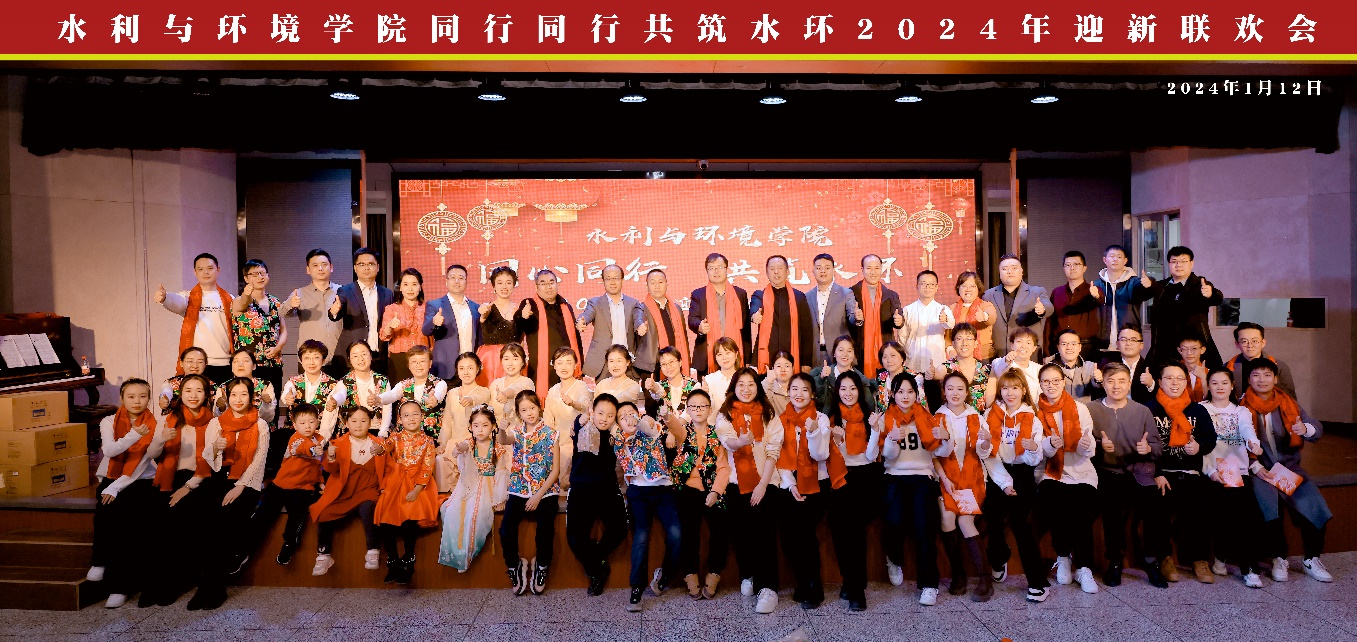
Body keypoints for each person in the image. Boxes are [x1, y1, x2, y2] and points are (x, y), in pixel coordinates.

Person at [1240, 359, 1333, 583]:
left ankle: (1311, 558)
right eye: (1256, 375)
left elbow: (1315, 426)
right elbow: (1234, 443)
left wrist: (1305, 428)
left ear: (1276, 379)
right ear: (1249, 379)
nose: (1262, 380)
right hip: (1261, 470)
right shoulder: (1241, 407)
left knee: (1314, 506)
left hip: (1289, 468)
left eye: (1267, 375)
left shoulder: (1287, 402)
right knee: (1269, 509)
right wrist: (1255, 466)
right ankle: (1279, 557)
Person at [189, 377, 270, 610]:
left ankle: (214, 588)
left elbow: (259, 461)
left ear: (252, 397)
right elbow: (207, 456)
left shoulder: (260, 425)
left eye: (244, 394)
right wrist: (216, 447)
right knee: (206, 523)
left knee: (225, 522)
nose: (238, 399)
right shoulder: (216, 423)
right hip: (219, 478)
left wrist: (240, 486)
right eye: (234, 394)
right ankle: (205, 586)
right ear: (227, 396)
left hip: (247, 483)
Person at [88, 379, 166, 609]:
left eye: (142, 396)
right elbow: (110, 451)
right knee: (105, 509)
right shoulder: (108, 421)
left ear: (149, 399)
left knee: (126, 523)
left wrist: (116, 487)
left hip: (141, 480)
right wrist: (133, 434)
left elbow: (141, 464)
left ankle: (120, 587)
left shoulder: (155, 424)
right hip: (112, 476)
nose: (137, 401)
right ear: (122, 398)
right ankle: (100, 560)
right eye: (131, 396)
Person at [1086, 362, 1164, 587]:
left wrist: (1148, 449)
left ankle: (1151, 560)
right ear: (1103, 384)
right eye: (1110, 381)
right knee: (1111, 507)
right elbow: (1082, 444)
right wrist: (1099, 446)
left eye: (1121, 381)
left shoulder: (1142, 411)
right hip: (1106, 471)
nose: (1116, 386)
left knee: (1154, 504)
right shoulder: (1090, 409)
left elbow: (1158, 447)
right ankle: (1115, 561)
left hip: (1138, 471)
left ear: (1129, 384)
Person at [714, 367, 785, 614]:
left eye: (751, 384)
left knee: (764, 535)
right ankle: (748, 574)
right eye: (741, 385)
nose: (746, 389)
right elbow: (728, 442)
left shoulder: (768, 414)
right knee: (741, 534)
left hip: (766, 481)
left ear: (758, 387)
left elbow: (773, 451)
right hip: (736, 483)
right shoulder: (724, 415)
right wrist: (742, 441)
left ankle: (769, 588)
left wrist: (763, 485)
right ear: (734, 388)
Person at [144, 374, 214, 607]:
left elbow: (212, 462)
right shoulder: (170, 419)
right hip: (171, 477)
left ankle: (176, 582)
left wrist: (188, 487)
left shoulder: (213, 422)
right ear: (180, 394)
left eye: (199, 391)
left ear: (206, 395)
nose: (193, 395)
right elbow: (152, 455)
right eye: (188, 391)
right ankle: (158, 583)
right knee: (158, 522)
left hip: (201, 479)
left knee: (185, 518)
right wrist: (161, 439)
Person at [1145, 361, 1218, 584]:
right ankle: (1164, 557)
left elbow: (1210, 439)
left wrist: (1199, 447)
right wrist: (1157, 472)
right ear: (1160, 382)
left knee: (1201, 508)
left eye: (1180, 379)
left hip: (1191, 472)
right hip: (1162, 473)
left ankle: (1199, 559)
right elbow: (1143, 445)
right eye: (1169, 378)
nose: (1175, 383)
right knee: (1158, 510)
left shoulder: (1197, 410)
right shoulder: (1149, 409)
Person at [979, 370, 1049, 602]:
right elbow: (986, 454)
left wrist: (1032, 448)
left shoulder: (1032, 419)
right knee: (992, 515)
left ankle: (1038, 583)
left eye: (1015, 388)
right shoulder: (990, 414)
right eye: (1005, 388)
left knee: (1021, 524)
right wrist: (1004, 483)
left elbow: (1033, 459)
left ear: (1023, 391)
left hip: (1022, 473)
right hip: (997, 471)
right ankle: (999, 557)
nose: (1010, 393)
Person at [922, 373, 992, 602]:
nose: (955, 393)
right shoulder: (937, 417)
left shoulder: (976, 417)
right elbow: (933, 456)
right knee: (947, 517)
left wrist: (986, 441)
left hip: (972, 480)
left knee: (965, 521)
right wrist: (944, 479)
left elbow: (984, 453)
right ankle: (958, 574)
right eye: (950, 388)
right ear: (944, 392)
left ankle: (985, 578)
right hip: (947, 480)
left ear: (967, 392)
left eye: (960, 388)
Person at [1033, 363, 1101, 594]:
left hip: (1081, 470)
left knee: (1081, 506)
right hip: (1050, 470)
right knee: (1054, 499)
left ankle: (1083, 567)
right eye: (1046, 381)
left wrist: (1085, 444)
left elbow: (1088, 448)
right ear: (1040, 384)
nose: (1051, 385)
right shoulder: (1035, 411)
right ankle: (1062, 556)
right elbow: (1037, 451)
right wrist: (1049, 444)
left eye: (1056, 381)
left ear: (1063, 382)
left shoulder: (1080, 408)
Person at [879, 374, 944, 606]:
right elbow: (888, 456)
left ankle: (929, 585)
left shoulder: (926, 416)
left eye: (910, 392)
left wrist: (946, 438)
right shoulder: (886, 418)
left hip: (922, 476)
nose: (905, 397)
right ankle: (894, 559)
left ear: (917, 394)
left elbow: (939, 451)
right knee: (893, 523)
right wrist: (892, 439)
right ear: (892, 394)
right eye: (900, 392)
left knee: (924, 529)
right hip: (894, 477)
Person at [771, 374, 833, 610]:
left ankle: (813, 586)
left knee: (805, 535)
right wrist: (790, 483)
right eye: (794, 389)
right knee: (788, 537)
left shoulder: (821, 418)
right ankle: (802, 581)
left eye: (805, 389)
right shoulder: (781, 420)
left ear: (812, 394)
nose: (799, 394)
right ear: (788, 393)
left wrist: (814, 431)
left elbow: (821, 455)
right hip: (789, 482)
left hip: (816, 482)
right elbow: (777, 456)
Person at [1199, 367, 1265, 587]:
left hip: (1237, 472)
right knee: (1221, 516)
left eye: (1224, 383)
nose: (1220, 387)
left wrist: (1253, 443)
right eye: (1215, 383)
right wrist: (1210, 471)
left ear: (1232, 386)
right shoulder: (1201, 409)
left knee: (1247, 518)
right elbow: (1197, 446)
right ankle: (1221, 557)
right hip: (1211, 471)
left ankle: (1249, 569)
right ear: (1208, 386)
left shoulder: (1241, 411)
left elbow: (1246, 429)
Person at [616, 402, 684, 612]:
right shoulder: (618, 440)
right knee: (641, 536)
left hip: (663, 489)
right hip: (638, 492)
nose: (628, 418)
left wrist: (639, 420)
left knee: (677, 534)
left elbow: (649, 428)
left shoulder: (650, 428)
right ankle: (636, 588)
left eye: (631, 413)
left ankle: (664, 575)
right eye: (622, 417)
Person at [665, 388, 730, 600]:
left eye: (702, 406)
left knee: (720, 529)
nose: (698, 410)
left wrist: (716, 491)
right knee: (689, 532)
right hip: (688, 489)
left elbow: (723, 468)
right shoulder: (684, 432)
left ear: (710, 409)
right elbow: (674, 426)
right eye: (693, 407)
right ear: (688, 410)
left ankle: (715, 572)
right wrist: (667, 416)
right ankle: (690, 573)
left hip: (712, 489)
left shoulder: (717, 436)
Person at [824, 370, 880, 611]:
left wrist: (875, 430)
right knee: (839, 533)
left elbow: (871, 455)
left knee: (856, 535)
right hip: (838, 477)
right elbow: (825, 455)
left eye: (853, 388)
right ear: (837, 391)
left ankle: (857, 589)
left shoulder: (869, 417)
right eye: (843, 388)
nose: (848, 393)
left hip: (863, 477)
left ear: (860, 391)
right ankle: (849, 579)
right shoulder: (830, 418)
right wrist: (836, 441)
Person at [309, 407, 386, 578]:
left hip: (368, 489)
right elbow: (330, 469)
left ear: (370, 423)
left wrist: (381, 453)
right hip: (344, 491)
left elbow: (388, 465)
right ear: (346, 423)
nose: (358, 425)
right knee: (324, 511)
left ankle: (373, 550)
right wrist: (330, 457)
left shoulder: (379, 444)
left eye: (363, 421)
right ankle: (323, 554)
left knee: (369, 507)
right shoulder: (337, 443)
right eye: (354, 421)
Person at [498, 390, 561, 595]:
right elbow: (504, 440)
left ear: (539, 408)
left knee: (545, 530)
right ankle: (514, 565)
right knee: (505, 529)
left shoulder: (551, 434)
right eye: (524, 410)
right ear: (519, 413)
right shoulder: (516, 432)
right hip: (519, 488)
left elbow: (555, 471)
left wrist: (537, 496)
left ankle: (541, 566)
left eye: (532, 408)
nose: (529, 413)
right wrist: (501, 429)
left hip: (546, 491)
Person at [565, 394, 628, 596]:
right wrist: (580, 419)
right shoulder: (583, 425)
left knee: (620, 529)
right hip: (581, 488)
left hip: (607, 488)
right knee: (575, 538)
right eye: (600, 413)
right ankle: (597, 571)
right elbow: (577, 424)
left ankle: (596, 559)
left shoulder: (615, 434)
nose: (604, 419)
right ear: (593, 411)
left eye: (610, 415)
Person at [374, 400, 440, 584]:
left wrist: (417, 489)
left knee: (410, 517)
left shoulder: (428, 441)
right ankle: (393, 559)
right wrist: (379, 449)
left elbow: (427, 467)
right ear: (400, 419)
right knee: (385, 517)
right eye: (406, 415)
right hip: (397, 482)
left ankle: (409, 558)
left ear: (422, 416)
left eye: (415, 414)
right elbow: (385, 446)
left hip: (419, 484)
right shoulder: (395, 437)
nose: (411, 418)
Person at [438, 405, 509, 572]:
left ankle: (466, 555)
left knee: (475, 515)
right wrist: (460, 449)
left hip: (488, 488)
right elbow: (463, 446)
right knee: (448, 509)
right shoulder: (470, 443)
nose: (480, 430)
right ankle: (456, 553)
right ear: (470, 427)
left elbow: (501, 472)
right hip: (468, 485)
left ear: (493, 426)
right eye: (476, 425)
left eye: (485, 425)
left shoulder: (497, 448)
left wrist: (500, 498)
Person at [253, 404, 323, 568]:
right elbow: (301, 448)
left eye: (311, 422)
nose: (307, 426)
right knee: (262, 515)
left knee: (297, 515)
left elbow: (317, 465)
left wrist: (320, 481)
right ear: (295, 424)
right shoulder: (296, 439)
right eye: (303, 423)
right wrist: (313, 451)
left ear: (317, 422)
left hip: (303, 488)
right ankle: (243, 550)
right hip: (281, 484)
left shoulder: (319, 439)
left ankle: (290, 543)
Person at [155, 252, 234, 383]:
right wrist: (165, 298)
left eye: (210, 268)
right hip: (198, 365)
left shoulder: (230, 299)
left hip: (225, 363)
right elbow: (177, 301)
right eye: (201, 269)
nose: (206, 272)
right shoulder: (188, 297)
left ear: (218, 270)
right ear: (195, 272)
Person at [1146, 246, 1224, 366]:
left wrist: (1210, 294)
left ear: (1191, 263)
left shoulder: (1199, 284)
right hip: (1164, 348)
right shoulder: (1161, 287)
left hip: (1191, 347)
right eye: (1174, 261)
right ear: (1169, 264)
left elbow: (1217, 298)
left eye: (1183, 261)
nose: (1178, 265)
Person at [277, 340, 339, 477]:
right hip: (295, 437)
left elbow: (330, 421)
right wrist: (287, 397)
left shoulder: (333, 385)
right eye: (307, 358)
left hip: (320, 437)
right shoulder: (293, 381)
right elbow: (287, 392)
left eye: (316, 357)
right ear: (300, 360)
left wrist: (320, 443)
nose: (311, 362)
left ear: (323, 360)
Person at [329, 247, 395, 377]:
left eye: (370, 264)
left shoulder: (387, 293)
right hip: (353, 354)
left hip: (378, 355)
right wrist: (334, 311)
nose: (366, 268)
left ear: (378, 267)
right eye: (361, 264)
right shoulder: (345, 291)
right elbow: (335, 314)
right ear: (355, 268)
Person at [280, 249, 344, 378]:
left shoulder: (343, 291)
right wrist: (290, 304)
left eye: (324, 264)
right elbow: (282, 313)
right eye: (315, 265)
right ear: (308, 270)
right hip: (310, 359)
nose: (320, 268)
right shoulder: (300, 293)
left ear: (331, 267)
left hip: (339, 357)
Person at [519, 269, 585, 394]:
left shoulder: (566, 306)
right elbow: (520, 327)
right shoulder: (530, 305)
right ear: (536, 287)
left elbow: (576, 339)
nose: (548, 287)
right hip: (542, 370)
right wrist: (523, 316)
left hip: (567, 368)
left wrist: (580, 366)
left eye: (551, 282)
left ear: (557, 284)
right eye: (543, 283)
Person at [688, 253, 752, 376]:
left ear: (727, 269)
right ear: (707, 271)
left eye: (719, 267)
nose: (716, 271)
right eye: (711, 268)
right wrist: (699, 326)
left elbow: (745, 329)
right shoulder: (698, 294)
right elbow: (692, 319)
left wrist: (748, 358)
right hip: (707, 355)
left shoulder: (740, 294)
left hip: (735, 353)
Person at [578, 264, 646, 379]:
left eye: (616, 278)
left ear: (622, 280)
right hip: (603, 362)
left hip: (627, 361)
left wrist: (640, 326)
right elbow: (587, 315)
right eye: (608, 278)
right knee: (604, 391)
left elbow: (638, 318)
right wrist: (581, 321)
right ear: (603, 281)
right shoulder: (595, 303)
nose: (612, 282)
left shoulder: (633, 303)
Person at [750, 255, 815, 375]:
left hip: (792, 357)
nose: (776, 272)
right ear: (766, 273)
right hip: (767, 358)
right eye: (772, 269)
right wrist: (755, 315)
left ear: (787, 272)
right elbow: (754, 307)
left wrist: (806, 362)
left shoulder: (799, 297)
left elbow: (807, 331)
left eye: (780, 268)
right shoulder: (760, 295)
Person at [229, 259, 286, 394]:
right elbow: (243, 303)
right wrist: (246, 294)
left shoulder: (275, 302)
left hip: (273, 363)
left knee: (272, 400)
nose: (260, 277)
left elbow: (283, 330)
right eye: (254, 274)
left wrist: (278, 348)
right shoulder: (239, 300)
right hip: (248, 365)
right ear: (246, 278)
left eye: (262, 273)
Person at [981, 254, 1053, 359]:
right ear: (999, 272)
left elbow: (1049, 307)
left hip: (1028, 355)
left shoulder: (1036, 291)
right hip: (998, 354)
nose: (1009, 271)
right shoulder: (988, 295)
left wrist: (1042, 309)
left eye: (1014, 268)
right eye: (1005, 269)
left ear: (1022, 271)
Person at [439, 352, 492, 492]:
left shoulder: (484, 391)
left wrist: (469, 400)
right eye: (462, 368)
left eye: (470, 368)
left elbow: (478, 399)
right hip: (455, 442)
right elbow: (447, 421)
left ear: (478, 368)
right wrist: (443, 442)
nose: (466, 372)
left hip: (475, 443)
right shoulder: (452, 393)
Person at [544, 347, 590, 504]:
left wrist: (573, 403)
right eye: (560, 363)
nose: (564, 367)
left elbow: (586, 407)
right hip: (557, 444)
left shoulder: (581, 386)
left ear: (576, 365)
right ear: (553, 365)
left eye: (568, 362)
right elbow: (548, 420)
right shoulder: (552, 391)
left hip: (577, 444)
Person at [849, 254, 904, 380]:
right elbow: (846, 321)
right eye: (869, 268)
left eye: (876, 268)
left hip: (884, 348)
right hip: (859, 349)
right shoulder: (851, 293)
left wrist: (899, 321)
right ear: (862, 270)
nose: (873, 272)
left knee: (885, 385)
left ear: (881, 269)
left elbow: (898, 318)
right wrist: (856, 319)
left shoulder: (891, 295)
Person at [423, 264, 482, 381]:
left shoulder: (475, 308)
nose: (457, 281)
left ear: (466, 282)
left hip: (470, 368)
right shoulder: (435, 305)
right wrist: (434, 321)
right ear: (446, 281)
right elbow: (425, 330)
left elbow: (479, 339)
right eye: (453, 277)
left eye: (461, 278)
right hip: (446, 368)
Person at [375, 345, 447, 440]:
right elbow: (392, 395)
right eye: (414, 362)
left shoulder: (439, 383)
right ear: (409, 365)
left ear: (430, 363)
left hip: (430, 438)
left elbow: (439, 393)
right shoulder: (403, 384)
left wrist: (435, 399)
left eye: (422, 361)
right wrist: (379, 398)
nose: (418, 365)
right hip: (405, 439)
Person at [1093, 245, 1153, 357]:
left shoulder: (1134, 283)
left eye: (1119, 257)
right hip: (1103, 344)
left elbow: (1146, 292)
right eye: (1112, 256)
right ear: (1105, 260)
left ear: (1125, 261)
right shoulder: (1096, 285)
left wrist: (1149, 284)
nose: (1115, 259)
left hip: (1128, 343)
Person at [327, 341, 392, 439]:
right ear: (350, 360)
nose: (361, 359)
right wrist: (335, 401)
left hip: (377, 430)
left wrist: (382, 433)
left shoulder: (382, 381)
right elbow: (341, 394)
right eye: (355, 356)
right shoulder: (344, 381)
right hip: (352, 432)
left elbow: (387, 408)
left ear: (371, 356)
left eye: (364, 354)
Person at [898, 269, 955, 377]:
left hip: (935, 362)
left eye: (931, 284)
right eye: (923, 283)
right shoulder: (908, 310)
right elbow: (902, 337)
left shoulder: (942, 309)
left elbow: (951, 323)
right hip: (912, 361)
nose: (927, 287)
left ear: (937, 287)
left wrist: (945, 319)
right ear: (917, 286)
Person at [1045, 251, 1102, 359]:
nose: (1072, 268)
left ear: (1084, 268)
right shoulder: (1057, 292)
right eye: (1068, 265)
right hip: (1060, 348)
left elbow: (1100, 299)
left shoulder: (1092, 290)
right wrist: (1047, 352)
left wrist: (1096, 295)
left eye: (1076, 264)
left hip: (1086, 347)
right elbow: (1050, 323)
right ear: (1063, 268)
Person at [635, 268, 691, 378]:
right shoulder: (641, 308)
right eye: (653, 283)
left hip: (675, 365)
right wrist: (640, 326)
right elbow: (638, 320)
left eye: (660, 282)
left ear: (667, 284)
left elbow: (684, 338)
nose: (657, 286)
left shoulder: (676, 309)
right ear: (647, 286)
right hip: (652, 367)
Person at [807, 253, 859, 366]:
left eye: (827, 268)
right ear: (813, 271)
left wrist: (857, 318)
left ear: (833, 270)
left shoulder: (846, 293)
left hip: (839, 353)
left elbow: (852, 317)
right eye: (819, 268)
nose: (823, 271)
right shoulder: (807, 296)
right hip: (815, 354)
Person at [381, 268, 433, 382]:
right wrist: (390, 326)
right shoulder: (391, 309)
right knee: (400, 392)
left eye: (414, 284)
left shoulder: (428, 308)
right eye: (405, 284)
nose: (410, 289)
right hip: (399, 359)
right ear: (400, 287)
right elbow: (384, 336)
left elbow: (432, 340)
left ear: (420, 287)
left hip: (422, 359)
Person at [477, 266, 526, 385]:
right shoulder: (487, 308)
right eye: (500, 283)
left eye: (508, 283)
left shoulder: (520, 310)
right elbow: (483, 315)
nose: (504, 286)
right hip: (490, 359)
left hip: (513, 359)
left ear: (514, 285)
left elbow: (522, 341)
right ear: (494, 286)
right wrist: (483, 313)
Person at [934, 323, 996, 413]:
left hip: (979, 419)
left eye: (969, 339)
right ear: (953, 344)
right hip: (951, 419)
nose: (964, 343)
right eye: (959, 339)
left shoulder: (987, 370)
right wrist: (932, 373)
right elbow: (938, 373)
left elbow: (990, 405)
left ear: (976, 343)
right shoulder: (948, 367)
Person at [1226, 322, 1297, 399]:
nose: (1250, 345)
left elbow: (1291, 398)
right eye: (1244, 341)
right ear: (1237, 344)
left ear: (1263, 343)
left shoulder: (1280, 366)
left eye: (1254, 341)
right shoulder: (1227, 368)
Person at [210, 349, 278, 425]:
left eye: (245, 361)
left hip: (259, 429)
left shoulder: (265, 385)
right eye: (236, 361)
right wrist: (221, 408)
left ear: (254, 366)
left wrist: (267, 404)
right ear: (231, 368)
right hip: (232, 429)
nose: (240, 364)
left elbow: (269, 418)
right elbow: (217, 418)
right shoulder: (223, 387)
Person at [1093, 325, 1157, 405]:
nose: (1128, 343)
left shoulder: (1150, 367)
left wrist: (1151, 384)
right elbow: (1096, 390)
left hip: (1139, 409)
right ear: (1117, 344)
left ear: (1141, 345)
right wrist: (1098, 380)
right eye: (1123, 340)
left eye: (1133, 340)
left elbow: (1157, 394)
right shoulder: (1106, 363)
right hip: (1111, 407)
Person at [946, 271, 998, 361]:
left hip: (984, 357)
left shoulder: (985, 305)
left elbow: (992, 317)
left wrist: (984, 316)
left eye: (972, 286)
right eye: (964, 286)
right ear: (958, 288)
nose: (968, 289)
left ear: (978, 288)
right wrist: (950, 350)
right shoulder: (952, 308)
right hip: (959, 356)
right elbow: (948, 335)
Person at [814, 335, 868, 411]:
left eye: (849, 351)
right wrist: (821, 378)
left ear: (854, 355)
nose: (845, 354)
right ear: (834, 353)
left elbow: (869, 404)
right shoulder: (825, 374)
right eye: (841, 350)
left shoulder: (861, 379)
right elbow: (818, 399)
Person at [1043, 329, 1099, 401]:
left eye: (1073, 344)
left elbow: (1098, 388)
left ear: (1080, 347)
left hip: (1083, 407)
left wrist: (1099, 380)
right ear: (1058, 347)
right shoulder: (1048, 369)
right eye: (1064, 344)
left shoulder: (1090, 367)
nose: (1069, 348)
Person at [486, 344, 533, 430]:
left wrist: (505, 394)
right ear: (501, 361)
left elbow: (517, 389)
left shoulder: (527, 382)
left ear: (523, 362)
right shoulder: (495, 384)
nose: (510, 363)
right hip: (496, 434)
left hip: (518, 435)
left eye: (515, 359)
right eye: (506, 359)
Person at [644, 346, 700, 418]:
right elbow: (658, 390)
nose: (668, 367)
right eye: (664, 364)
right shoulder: (660, 385)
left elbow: (691, 414)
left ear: (680, 362)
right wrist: (653, 386)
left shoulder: (694, 385)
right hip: (664, 425)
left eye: (671, 362)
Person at [701, 336, 742, 426]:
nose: (724, 358)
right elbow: (708, 412)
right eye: (720, 354)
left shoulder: (744, 378)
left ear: (736, 354)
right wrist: (704, 395)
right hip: (716, 428)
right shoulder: (709, 380)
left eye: (728, 353)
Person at [991, 327, 1042, 396]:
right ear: (1012, 345)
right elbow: (998, 368)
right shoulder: (1003, 363)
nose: (1023, 346)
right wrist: (1007, 361)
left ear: (1034, 348)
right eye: (1019, 341)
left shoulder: (1039, 369)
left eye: (1028, 343)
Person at [158, 347, 208, 414]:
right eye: (190, 361)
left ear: (205, 364)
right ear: (181, 363)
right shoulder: (171, 383)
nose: (195, 366)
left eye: (200, 362)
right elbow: (166, 393)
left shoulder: (211, 385)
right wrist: (165, 400)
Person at [872, 341, 915, 412]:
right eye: (885, 357)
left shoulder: (915, 378)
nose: (889, 360)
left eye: (893, 356)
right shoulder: (880, 378)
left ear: (902, 358)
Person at [1177, 334, 1211, 403]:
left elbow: (1214, 400)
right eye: (1184, 349)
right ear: (1179, 350)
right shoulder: (1172, 372)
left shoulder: (1211, 373)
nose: (1189, 353)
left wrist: (1204, 378)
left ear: (1202, 350)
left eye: (1194, 348)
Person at [761, 351, 796, 416]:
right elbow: (761, 404)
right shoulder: (767, 386)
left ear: (793, 368)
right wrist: (768, 381)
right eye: (779, 366)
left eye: (787, 366)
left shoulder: (799, 386)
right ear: (773, 368)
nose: (783, 370)